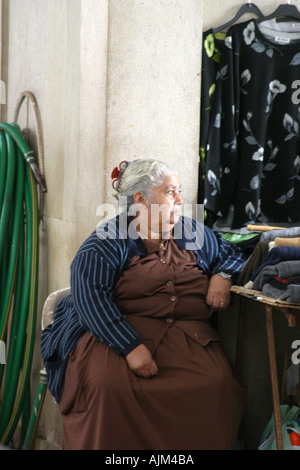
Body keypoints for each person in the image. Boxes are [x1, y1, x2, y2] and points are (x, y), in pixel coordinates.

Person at [41, 158, 246, 450]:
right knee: (107, 387)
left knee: (219, 384)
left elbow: (232, 252)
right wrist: (130, 348)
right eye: (171, 192)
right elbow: (90, 299)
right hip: (113, 335)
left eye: (178, 191)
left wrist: (223, 275)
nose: (179, 199)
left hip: (187, 338)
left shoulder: (191, 233)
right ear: (141, 199)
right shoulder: (106, 242)